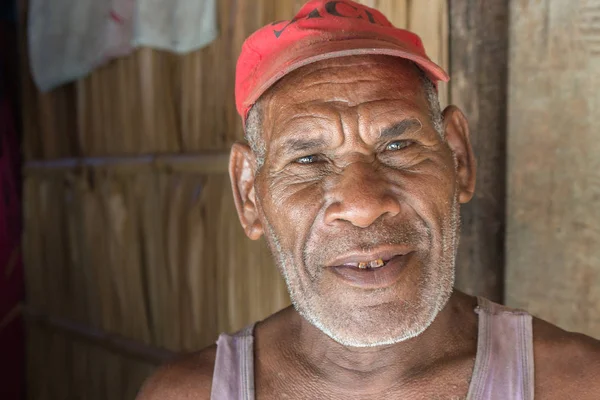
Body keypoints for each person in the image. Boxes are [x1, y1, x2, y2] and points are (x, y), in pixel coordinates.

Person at [137, 1, 600, 398]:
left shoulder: (578, 384)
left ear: (458, 158)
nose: (363, 204)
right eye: (310, 159)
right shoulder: (187, 394)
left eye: (398, 147)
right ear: (249, 194)